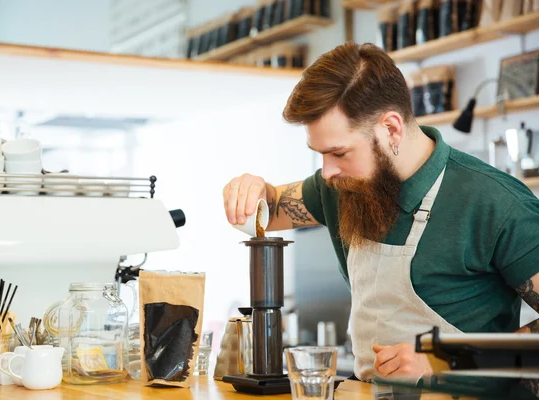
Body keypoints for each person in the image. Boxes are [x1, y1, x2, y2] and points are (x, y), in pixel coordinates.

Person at [222, 42, 539, 392]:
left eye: (339, 152)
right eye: (319, 154)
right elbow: (270, 211)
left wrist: (448, 359)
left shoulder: (496, 202)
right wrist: (255, 190)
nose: (326, 171)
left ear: (391, 129)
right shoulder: (343, 186)